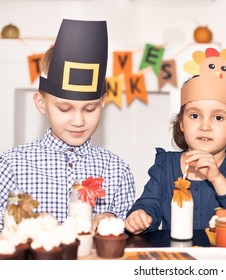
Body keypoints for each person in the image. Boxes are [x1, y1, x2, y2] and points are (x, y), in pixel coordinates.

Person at [0, 19, 136, 232]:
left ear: (102, 102)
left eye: (90, 109)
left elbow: (130, 235)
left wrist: (112, 222)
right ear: (41, 103)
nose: (79, 121)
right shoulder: (11, 166)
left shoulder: (117, 170)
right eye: (64, 109)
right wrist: (24, 225)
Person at [125, 47, 226, 234]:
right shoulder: (165, 166)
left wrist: (216, 178)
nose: (205, 126)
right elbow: (150, 204)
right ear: (181, 123)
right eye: (195, 115)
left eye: (218, 118)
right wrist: (140, 216)